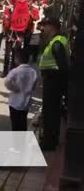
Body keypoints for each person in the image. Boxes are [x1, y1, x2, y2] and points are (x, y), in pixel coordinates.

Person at [39, 18, 69, 151]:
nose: (43, 29)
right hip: (52, 81)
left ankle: (48, 143)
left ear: (52, 27)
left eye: (45, 26)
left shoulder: (57, 44)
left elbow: (63, 66)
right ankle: (51, 140)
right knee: (53, 112)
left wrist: (63, 88)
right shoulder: (55, 41)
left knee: (50, 113)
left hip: (53, 81)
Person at [4, 49, 37, 131]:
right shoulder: (33, 72)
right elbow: (34, 85)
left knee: (15, 123)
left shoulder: (15, 71)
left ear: (17, 59)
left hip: (14, 103)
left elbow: (7, 81)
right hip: (26, 102)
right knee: (23, 121)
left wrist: (13, 88)